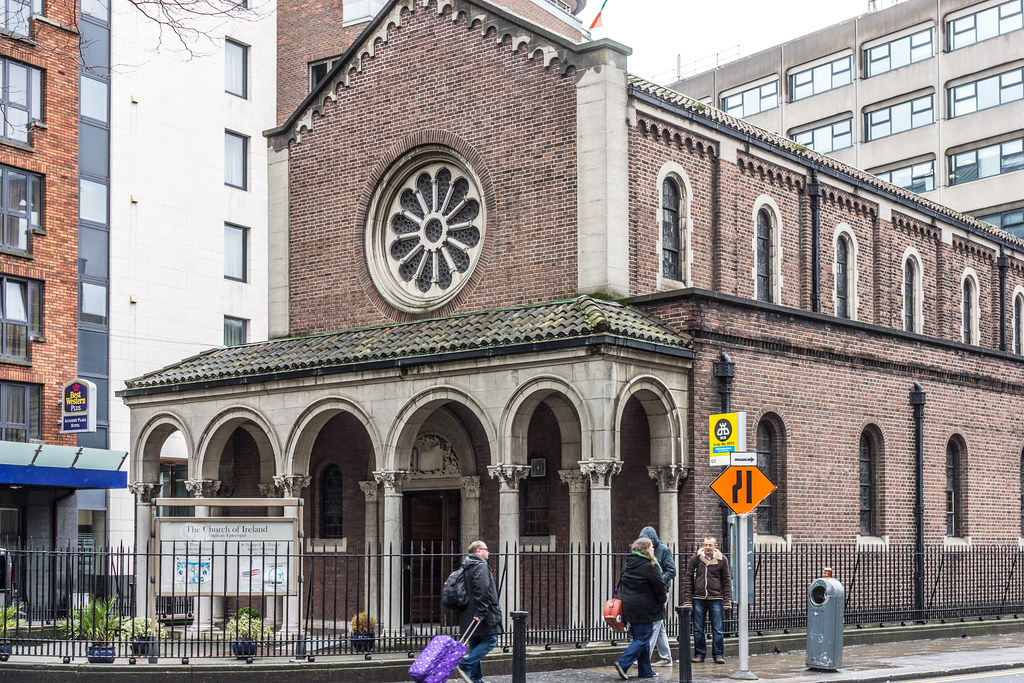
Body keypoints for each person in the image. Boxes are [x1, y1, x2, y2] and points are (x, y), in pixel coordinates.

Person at [612, 537, 667, 680]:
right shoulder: (650, 566)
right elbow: (660, 587)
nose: (653, 549)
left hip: (628, 606)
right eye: (651, 547)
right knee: (643, 638)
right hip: (645, 608)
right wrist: (661, 601)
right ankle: (623, 663)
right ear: (645, 549)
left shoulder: (629, 564)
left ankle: (645, 671)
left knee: (641, 637)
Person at [681, 535, 733, 665]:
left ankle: (718, 655)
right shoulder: (696, 558)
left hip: (716, 598)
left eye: (710, 545)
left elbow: (727, 581)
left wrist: (727, 601)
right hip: (698, 598)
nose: (707, 547)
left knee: (718, 629)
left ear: (715, 546)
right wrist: (688, 600)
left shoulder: (722, 560)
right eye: (706, 545)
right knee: (698, 628)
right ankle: (699, 654)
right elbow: (688, 579)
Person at [457, 540, 503, 683]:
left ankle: (476, 679)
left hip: (469, 612)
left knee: (476, 643)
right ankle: (466, 664)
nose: (488, 552)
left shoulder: (466, 566)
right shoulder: (480, 566)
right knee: (491, 640)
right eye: (486, 549)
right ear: (478, 551)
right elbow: (482, 590)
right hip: (481, 612)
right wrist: (482, 612)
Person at [639, 526, 676, 668]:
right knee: (659, 626)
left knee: (654, 624)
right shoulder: (645, 552)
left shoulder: (664, 550)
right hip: (649, 592)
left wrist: (659, 581)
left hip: (661, 592)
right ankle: (666, 658)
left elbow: (672, 570)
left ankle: (644, 657)